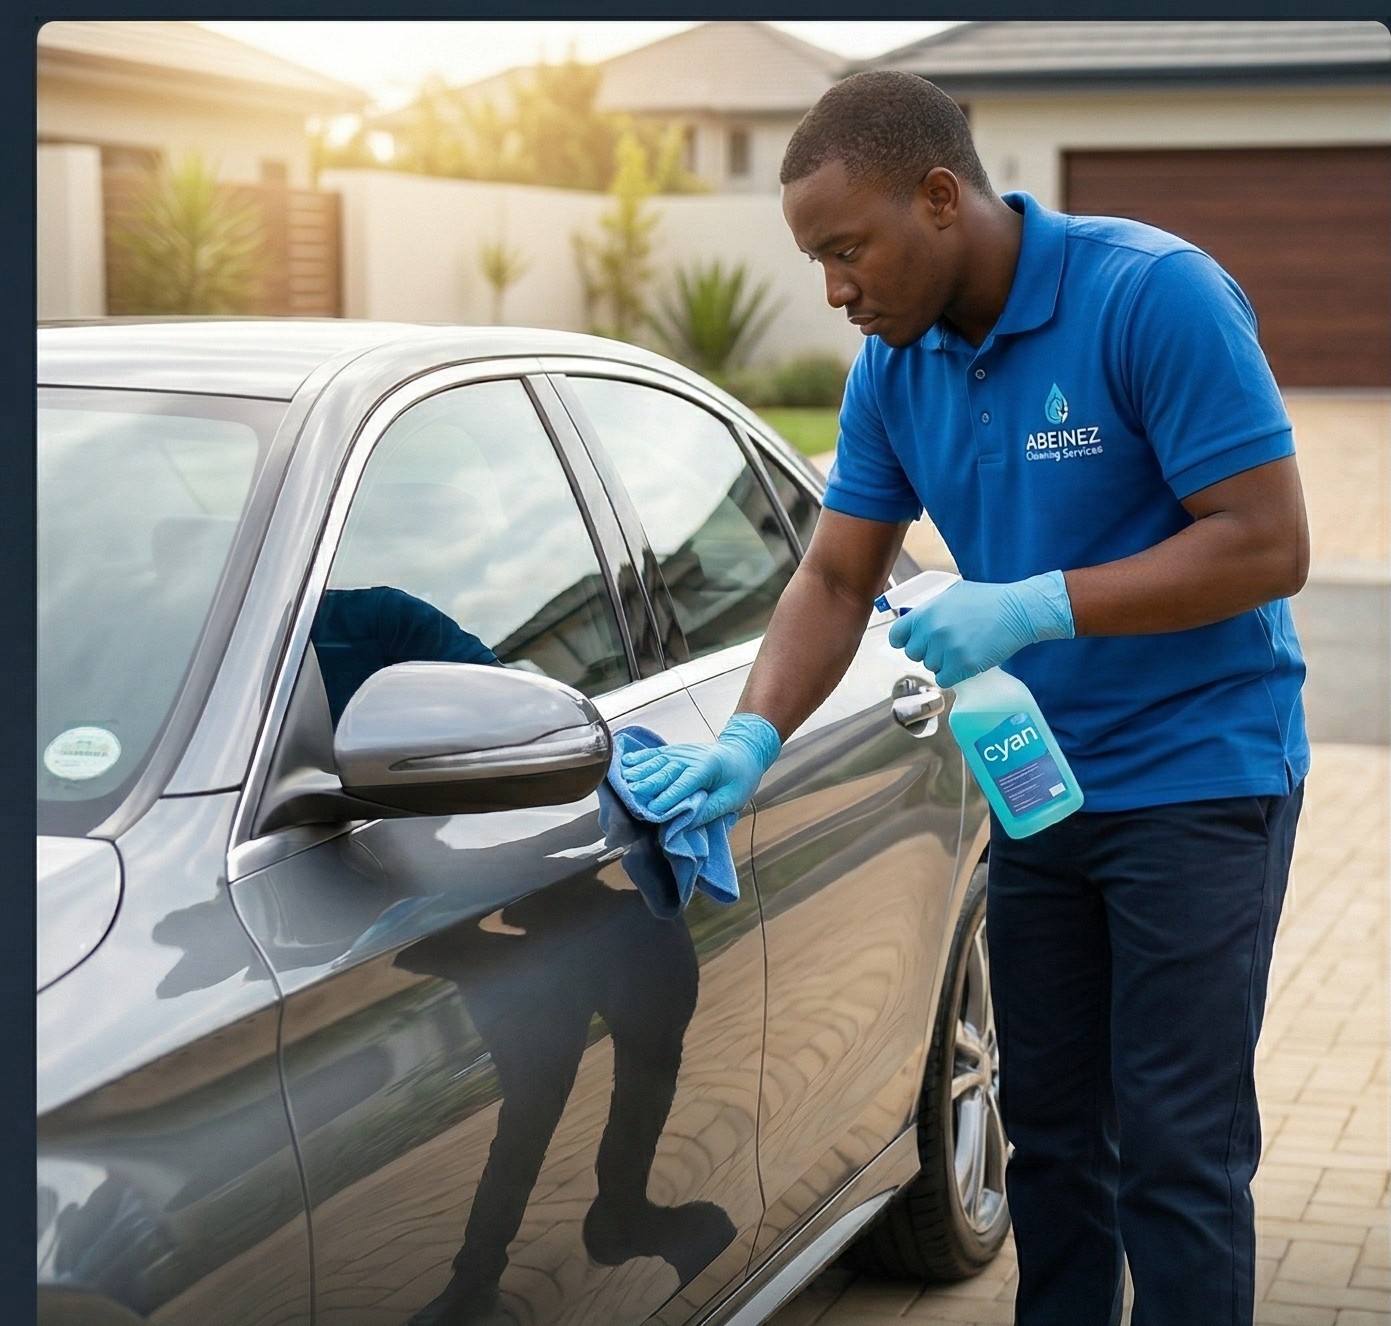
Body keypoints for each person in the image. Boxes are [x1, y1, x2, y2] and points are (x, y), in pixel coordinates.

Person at [620, 70, 1308, 1326]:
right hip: (1038, 791)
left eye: (846, 250)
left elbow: (1265, 545)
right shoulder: (894, 367)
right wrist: (748, 737)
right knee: (1047, 1137)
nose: (833, 291)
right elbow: (835, 575)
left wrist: (1034, 603)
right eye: (817, 261)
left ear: (939, 198)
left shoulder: (1150, 296)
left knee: (1176, 1151)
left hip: (1198, 779)